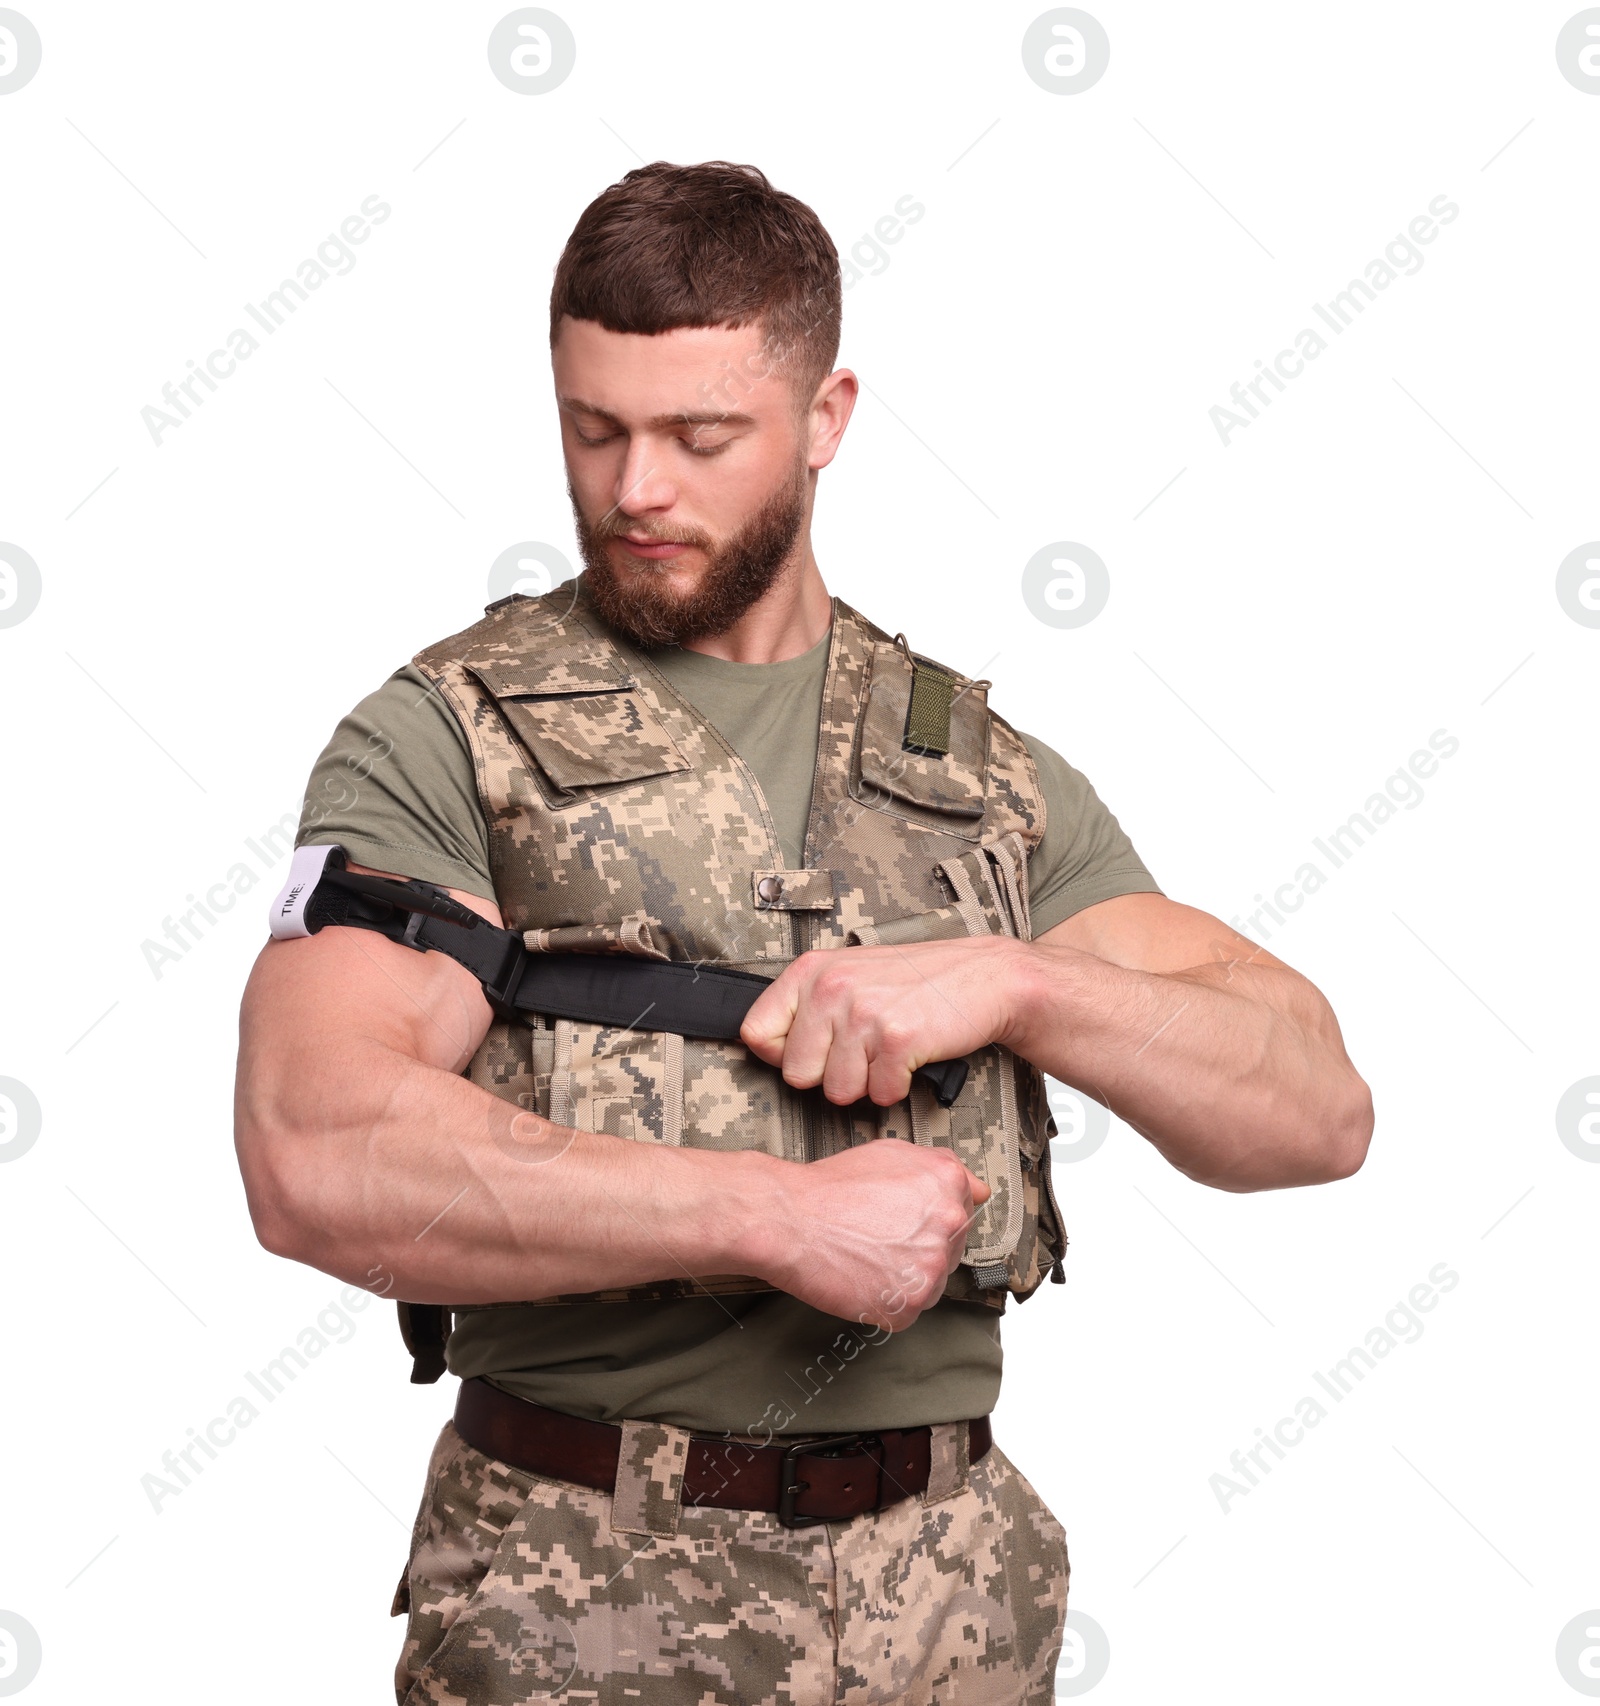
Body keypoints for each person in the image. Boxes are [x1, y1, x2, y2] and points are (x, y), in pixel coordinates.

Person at [234, 159, 1373, 1706]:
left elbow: (1313, 1108)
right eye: (595, 429)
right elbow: (315, 1144)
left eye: (703, 437)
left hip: (953, 1601)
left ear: (827, 416)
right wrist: (768, 1216)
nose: (638, 486)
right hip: (587, 1598)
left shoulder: (974, 772)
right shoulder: (444, 739)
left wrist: (1017, 979)